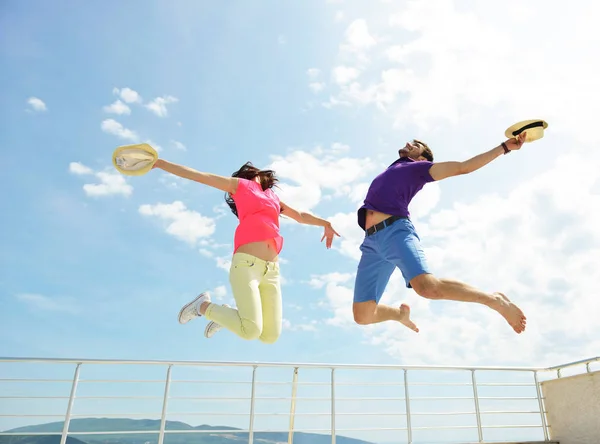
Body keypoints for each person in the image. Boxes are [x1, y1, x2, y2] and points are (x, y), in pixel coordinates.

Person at [353, 132, 529, 334]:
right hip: (371, 243)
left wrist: (504, 147)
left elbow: (464, 167)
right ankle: (399, 315)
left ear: (422, 158)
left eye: (416, 144)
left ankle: (495, 301)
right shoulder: (395, 167)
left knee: (428, 288)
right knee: (363, 315)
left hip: (395, 231)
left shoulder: (418, 168)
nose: (409, 143)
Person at [151, 159, 339, 343]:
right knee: (250, 331)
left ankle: (225, 316)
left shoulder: (273, 198)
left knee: (270, 336)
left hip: (271, 271)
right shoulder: (240, 186)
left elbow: (299, 215)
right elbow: (201, 176)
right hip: (246, 264)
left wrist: (326, 223)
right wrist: (160, 163)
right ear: (250, 174)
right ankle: (202, 306)